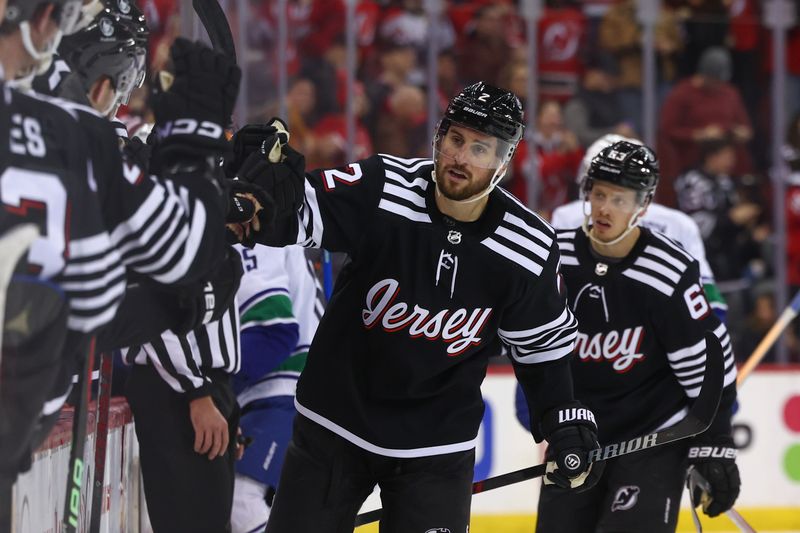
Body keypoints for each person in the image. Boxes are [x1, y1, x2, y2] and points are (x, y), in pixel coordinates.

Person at [233, 82, 602, 532]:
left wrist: (562, 420)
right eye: (456, 140)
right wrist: (259, 198)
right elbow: (296, 213)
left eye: (480, 149)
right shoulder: (383, 186)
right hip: (334, 427)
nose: (461, 158)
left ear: (504, 162)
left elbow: (542, 354)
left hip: (436, 450)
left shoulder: (528, 247)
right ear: (439, 138)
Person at [531, 140, 740, 532]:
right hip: (579, 436)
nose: (606, 208)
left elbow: (710, 362)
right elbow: (531, 344)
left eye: (620, 199)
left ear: (642, 206)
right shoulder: (556, 258)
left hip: (652, 438)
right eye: (599, 195)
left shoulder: (667, 270)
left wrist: (717, 442)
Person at [551, 134, 728, 320]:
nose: (605, 209)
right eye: (600, 191)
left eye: (619, 195)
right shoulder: (566, 219)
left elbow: (707, 295)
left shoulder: (679, 225)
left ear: (643, 198)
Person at [230, 245, 325, 533]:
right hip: (294, 391)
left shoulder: (250, 235)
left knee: (240, 501)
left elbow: (273, 333)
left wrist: (214, 390)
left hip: (288, 392)